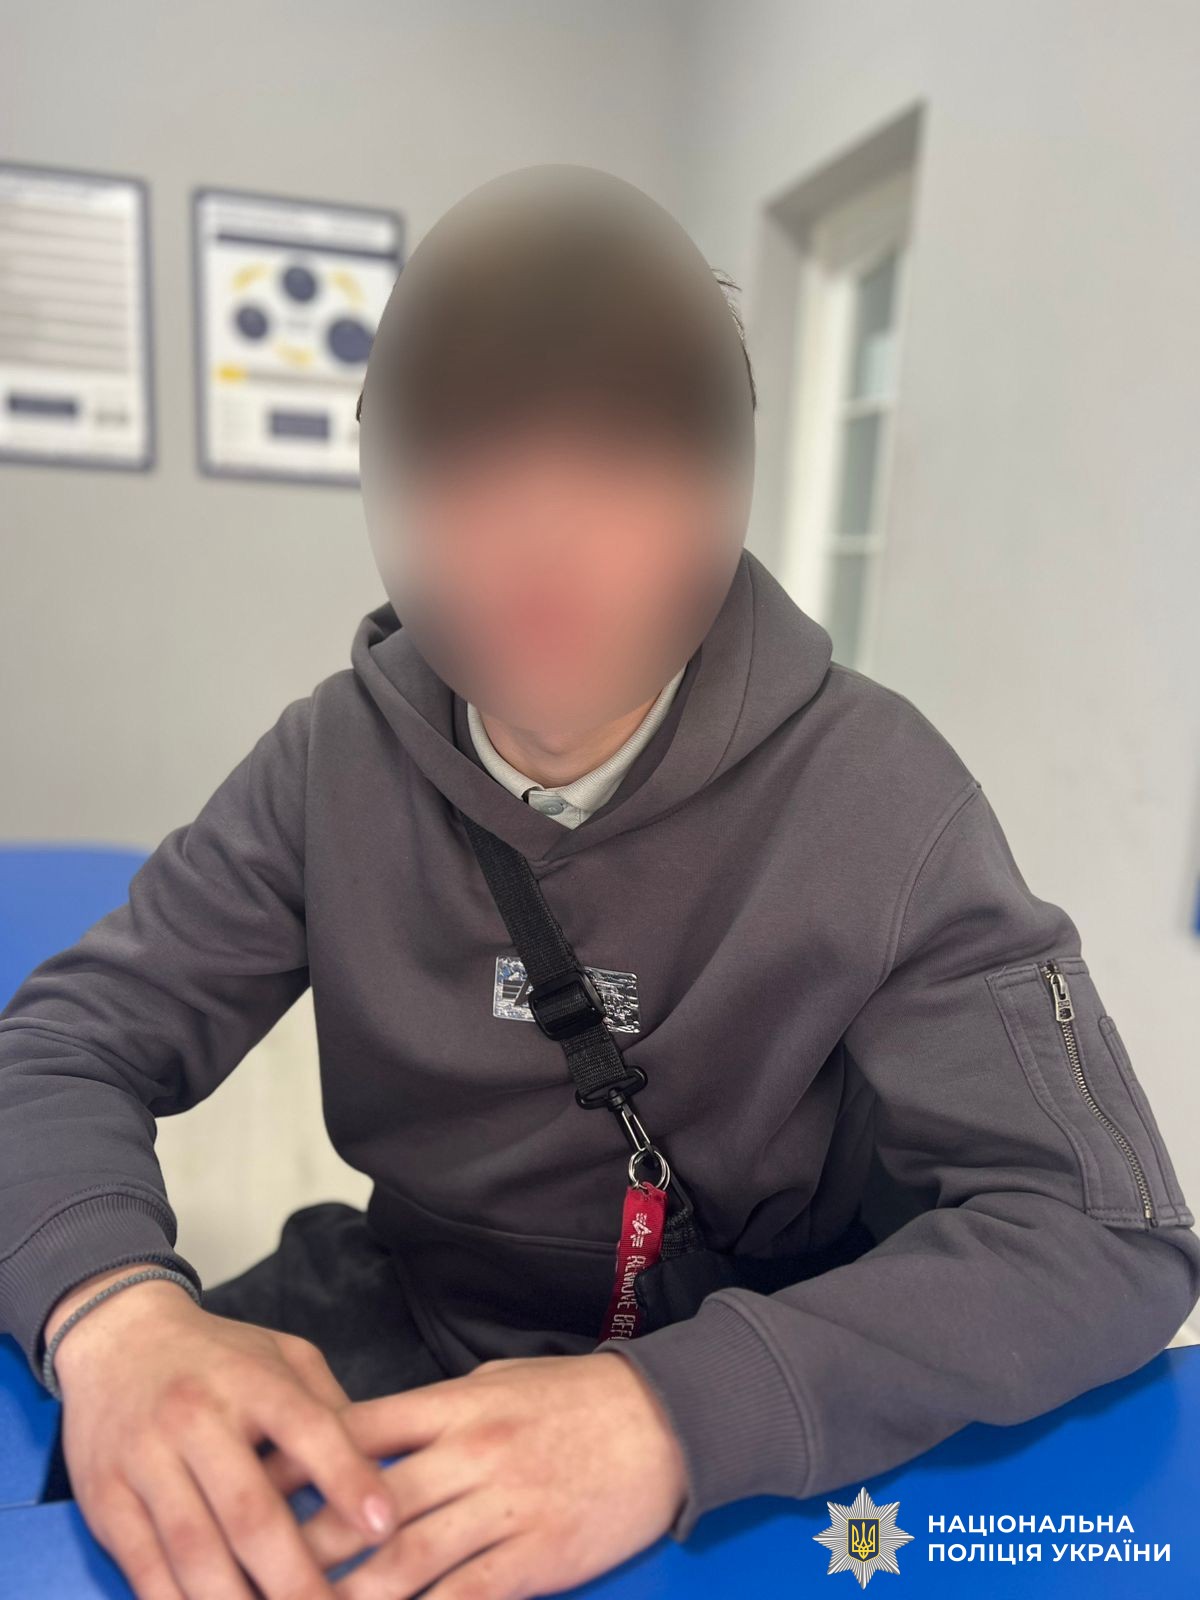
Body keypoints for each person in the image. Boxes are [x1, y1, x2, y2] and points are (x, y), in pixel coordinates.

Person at [1, 162, 1197, 1600]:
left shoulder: (882, 799)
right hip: (420, 1320)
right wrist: (113, 1311)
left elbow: (1102, 1230)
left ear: (723, 485)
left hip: (765, 1363)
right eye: (471, 455)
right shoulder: (332, 763)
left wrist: (674, 1413)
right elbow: (57, 1048)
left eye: (622, 456)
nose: (542, 531)